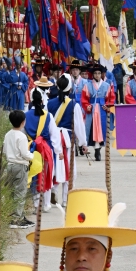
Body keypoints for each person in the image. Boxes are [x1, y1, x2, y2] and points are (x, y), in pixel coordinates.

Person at [47, 74, 88, 208]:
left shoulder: (49, 103)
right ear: (70, 89)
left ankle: (53, 191)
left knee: (55, 167)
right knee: (69, 168)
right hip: (67, 140)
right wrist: (83, 143)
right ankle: (66, 198)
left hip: (53, 139)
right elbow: (79, 126)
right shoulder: (74, 105)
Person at [24, 82, 62, 213]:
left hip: (31, 149)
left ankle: (35, 204)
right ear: (41, 101)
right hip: (45, 149)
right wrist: (59, 151)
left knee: (33, 174)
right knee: (46, 174)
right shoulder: (48, 116)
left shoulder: (25, 115)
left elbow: (23, 133)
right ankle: (46, 204)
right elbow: (54, 135)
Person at [4, 109, 34, 229]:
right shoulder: (21, 136)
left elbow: (5, 150)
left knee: (12, 192)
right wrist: (33, 156)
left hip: (10, 165)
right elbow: (24, 153)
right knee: (20, 192)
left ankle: (17, 215)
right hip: (20, 165)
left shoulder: (8, 134)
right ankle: (17, 219)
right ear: (23, 122)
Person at [82, 65, 115, 161]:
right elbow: (84, 99)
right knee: (92, 129)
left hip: (102, 110)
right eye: (95, 73)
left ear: (102, 74)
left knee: (102, 129)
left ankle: (98, 149)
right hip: (92, 109)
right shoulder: (87, 85)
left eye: (99, 73)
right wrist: (87, 105)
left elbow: (111, 98)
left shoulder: (107, 85)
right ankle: (96, 149)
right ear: (92, 75)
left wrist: (108, 105)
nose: (97, 75)